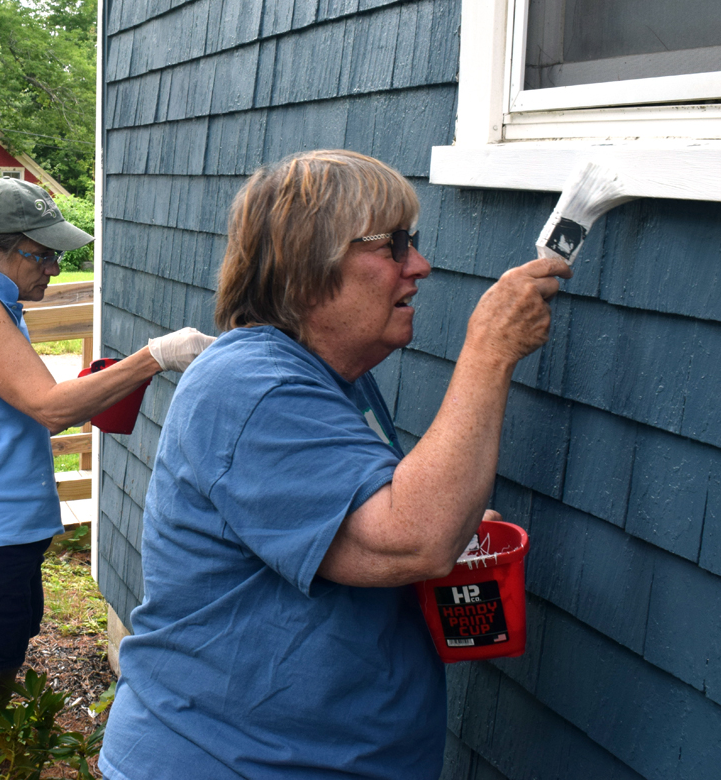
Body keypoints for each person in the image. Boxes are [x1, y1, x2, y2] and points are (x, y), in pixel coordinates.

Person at [99, 150, 571, 779]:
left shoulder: (330, 378)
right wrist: (489, 349)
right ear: (307, 270)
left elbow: (379, 530)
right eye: (393, 246)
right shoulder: (255, 387)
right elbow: (413, 538)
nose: (420, 266)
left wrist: (449, 521)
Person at [0, 177, 215, 753]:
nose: (55, 266)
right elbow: (49, 408)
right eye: (43, 253)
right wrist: (155, 356)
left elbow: (14, 405)